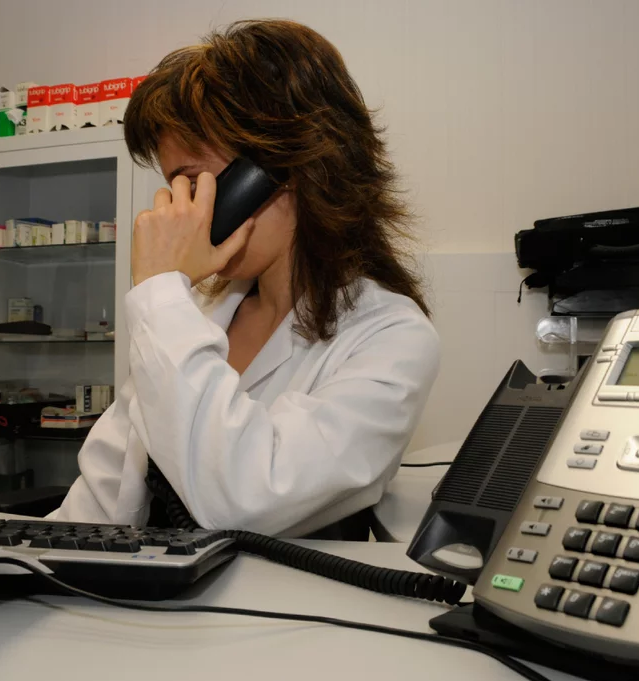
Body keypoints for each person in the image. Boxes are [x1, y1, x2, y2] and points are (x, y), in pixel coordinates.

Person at [49, 19, 440, 538]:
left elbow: (246, 500)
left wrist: (162, 292)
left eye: (192, 183)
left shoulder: (391, 337)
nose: (176, 209)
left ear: (284, 168)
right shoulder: (194, 318)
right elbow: (96, 505)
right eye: (172, 186)